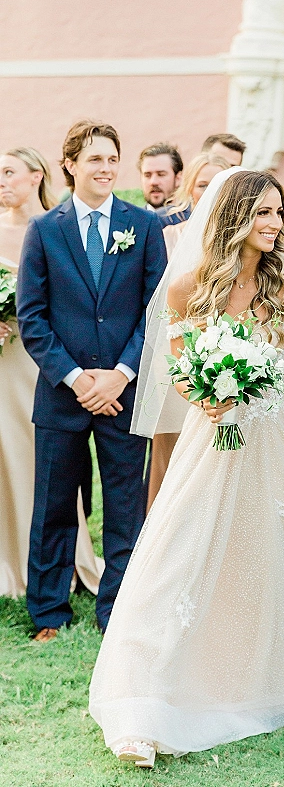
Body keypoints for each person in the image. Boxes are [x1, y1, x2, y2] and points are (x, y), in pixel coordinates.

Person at [89, 168, 284, 769]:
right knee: (181, 550)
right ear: (233, 217)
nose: (276, 226)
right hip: (211, 440)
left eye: (280, 214)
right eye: (263, 214)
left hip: (273, 440)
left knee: (263, 554)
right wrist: (207, 395)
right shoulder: (189, 287)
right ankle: (147, 693)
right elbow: (179, 365)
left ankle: (256, 670)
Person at [17, 120, 167, 638]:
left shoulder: (144, 227)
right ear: (70, 164)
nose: (105, 169)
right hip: (63, 396)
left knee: (126, 508)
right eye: (94, 160)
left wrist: (121, 375)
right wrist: (78, 379)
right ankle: (49, 611)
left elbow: (156, 311)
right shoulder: (45, 229)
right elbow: (32, 317)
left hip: (124, 395)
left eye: (111, 160)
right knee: (55, 506)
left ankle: (117, 610)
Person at [0, 148, 102, 599]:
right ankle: (8, 560)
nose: (1, 181)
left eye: (9, 172)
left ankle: (62, 561)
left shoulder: (57, 228)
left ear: (36, 175)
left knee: (46, 463)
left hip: (45, 362)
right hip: (3, 361)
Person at [146, 152, 230, 511]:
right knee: (174, 463)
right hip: (181, 359)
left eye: (220, 184)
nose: (210, 191)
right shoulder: (167, 236)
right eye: (203, 183)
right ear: (188, 188)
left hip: (230, 361)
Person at [161, 153, 230, 257]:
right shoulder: (172, 236)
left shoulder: (244, 235)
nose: (211, 192)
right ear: (190, 189)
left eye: (219, 185)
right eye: (203, 186)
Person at [138, 143, 183, 226]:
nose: (153, 182)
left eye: (161, 174)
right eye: (147, 175)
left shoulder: (191, 219)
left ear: (178, 178)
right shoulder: (132, 220)